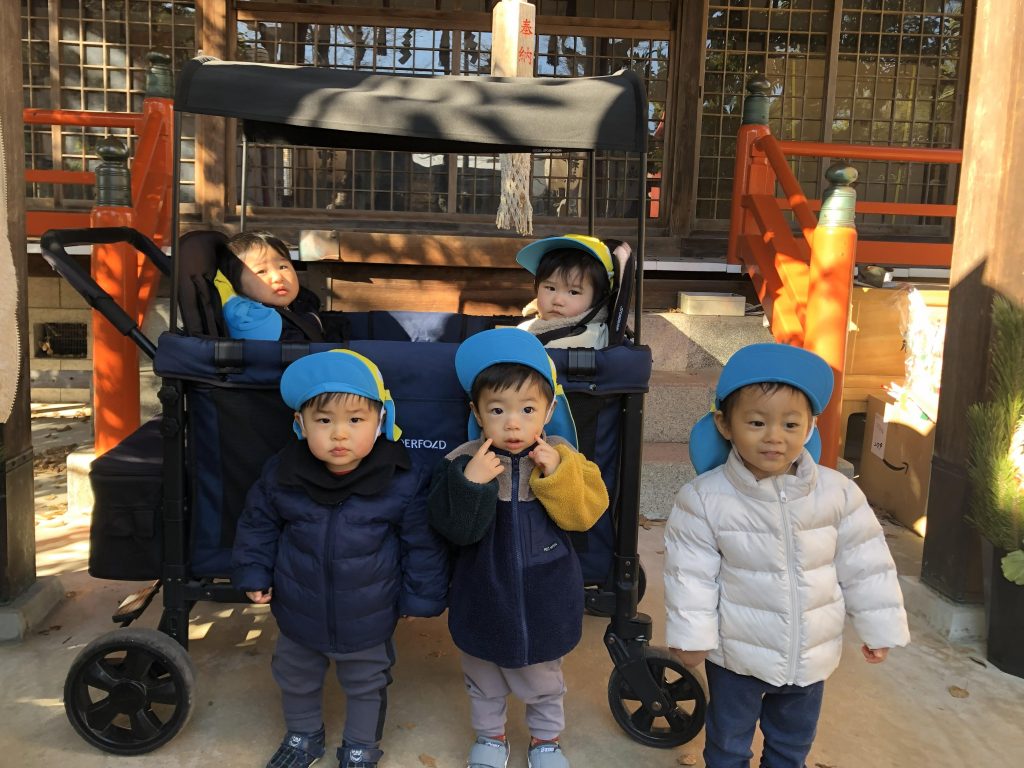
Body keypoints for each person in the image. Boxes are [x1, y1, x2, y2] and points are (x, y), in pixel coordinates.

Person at [664, 343, 911, 768]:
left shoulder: (838, 493)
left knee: (792, 745)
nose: (774, 437)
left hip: (809, 656)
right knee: (728, 744)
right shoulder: (705, 498)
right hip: (737, 656)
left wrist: (879, 626)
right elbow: (691, 575)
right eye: (757, 422)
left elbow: (867, 565)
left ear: (811, 428)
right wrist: (691, 638)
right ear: (725, 424)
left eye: (791, 424)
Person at [232, 349, 449, 768]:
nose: (339, 435)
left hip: (369, 612)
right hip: (298, 608)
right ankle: (303, 735)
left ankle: (360, 744)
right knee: (295, 675)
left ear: (380, 421)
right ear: (301, 424)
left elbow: (421, 543)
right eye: (324, 421)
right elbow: (258, 525)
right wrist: (254, 571)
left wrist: (421, 596)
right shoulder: (283, 473)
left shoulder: (403, 477)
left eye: (355, 420)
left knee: (367, 682)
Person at [428, 328, 609, 768]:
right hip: (482, 592)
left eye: (527, 409)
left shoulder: (564, 455)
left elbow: (584, 516)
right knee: (482, 677)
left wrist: (557, 474)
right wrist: (472, 484)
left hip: (546, 594)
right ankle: (490, 737)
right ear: (477, 412)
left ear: (549, 411)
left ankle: (546, 740)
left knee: (544, 679)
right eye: (498, 410)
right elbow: (454, 530)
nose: (513, 423)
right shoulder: (461, 461)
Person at [213, 231, 347, 342]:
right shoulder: (250, 319)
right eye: (261, 271)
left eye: (283, 267)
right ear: (235, 283)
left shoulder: (301, 302)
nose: (278, 277)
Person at [515, 235, 614, 349]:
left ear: (598, 298)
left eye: (573, 292)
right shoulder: (538, 325)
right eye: (551, 288)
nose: (558, 301)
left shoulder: (587, 338)